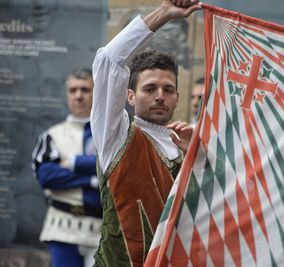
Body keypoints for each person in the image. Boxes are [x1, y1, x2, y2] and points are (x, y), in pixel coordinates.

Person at [90, 1, 201, 266]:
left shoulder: (193, 143)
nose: (160, 97)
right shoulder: (116, 136)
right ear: (130, 95)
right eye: (150, 89)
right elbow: (108, 62)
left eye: (168, 90)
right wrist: (164, 13)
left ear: (177, 97)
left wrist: (197, 158)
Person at [32, 68, 102, 267]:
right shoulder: (52, 136)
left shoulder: (110, 135)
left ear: (96, 92)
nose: (78, 96)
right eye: (73, 90)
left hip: (103, 230)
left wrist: (74, 162)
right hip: (63, 227)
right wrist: (92, 180)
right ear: (67, 94)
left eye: (85, 89)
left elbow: (113, 169)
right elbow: (47, 177)